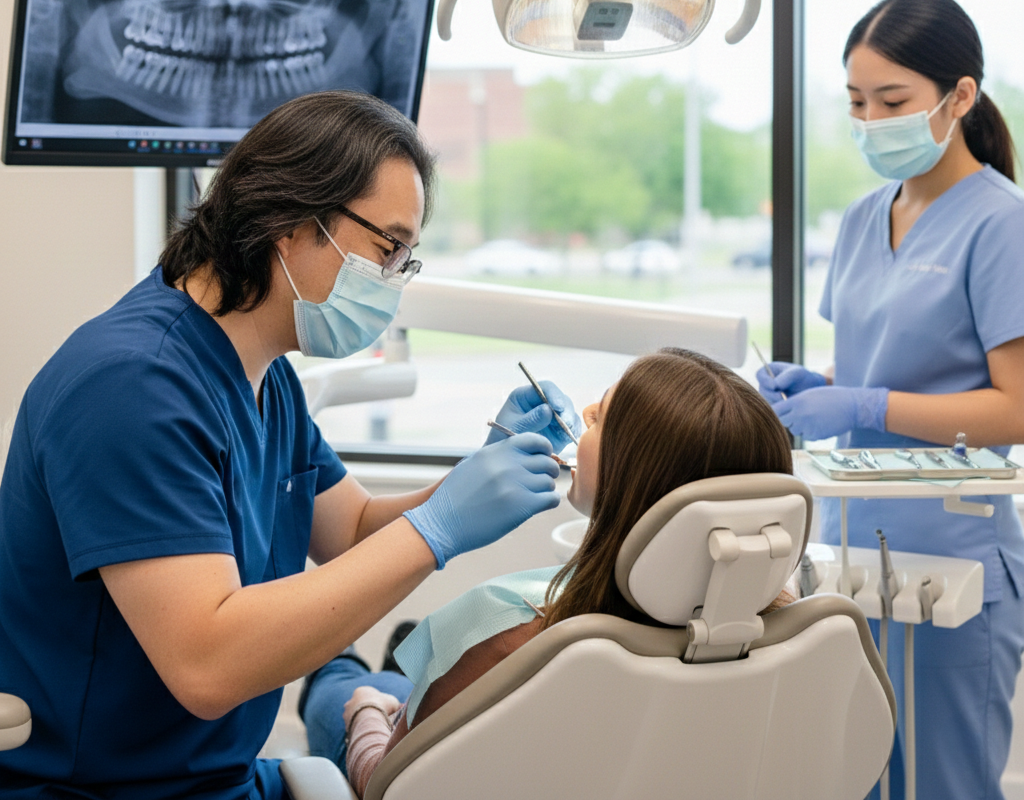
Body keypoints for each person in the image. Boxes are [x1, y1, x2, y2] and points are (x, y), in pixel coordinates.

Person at [0, 90, 581, 799]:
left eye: (408, 257)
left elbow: (353, 529)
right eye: (387, 248)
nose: (395, 278)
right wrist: (440, 528)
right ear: (289, 223)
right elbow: (207, 665)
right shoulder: (130, 387)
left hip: (220, 779)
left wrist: (478, 469)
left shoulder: (263, 374)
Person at [299, 347, 795, 797]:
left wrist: (364, 712)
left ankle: (341, 663)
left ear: (634, 478)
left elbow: (387, 784)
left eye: (603, 416)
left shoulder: (512, 641)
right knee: (402, 685)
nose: (584, 414)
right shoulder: (779, 632)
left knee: (348, 682)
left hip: (402, 732)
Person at [757, 0, 1024, 800]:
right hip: (850, 553)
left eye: (893, 101)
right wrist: (822, 388)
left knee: (943, 784)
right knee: (855, 779)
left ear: (961, 97)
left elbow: (1015, 407)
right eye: (857, 102)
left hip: (954, 555)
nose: (872, 120)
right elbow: (880, 363)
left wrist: (866, 407)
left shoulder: (1001, 224)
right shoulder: (862, 218)